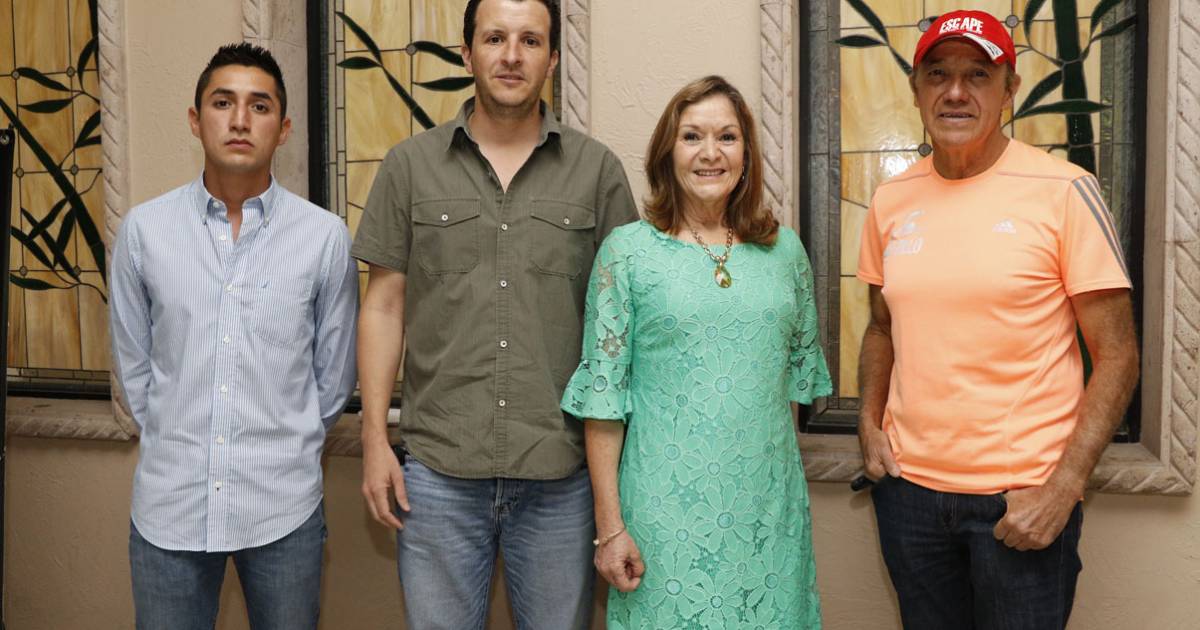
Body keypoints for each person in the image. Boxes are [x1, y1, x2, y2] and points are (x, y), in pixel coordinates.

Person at [351, 0, 639, 626]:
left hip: (561, 476)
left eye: (530, 41)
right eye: (495, 38)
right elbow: (383, 308)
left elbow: (624, 331)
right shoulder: (409, 167)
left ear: (552, 59)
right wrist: (375, 440)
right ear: (467, 53)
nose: (511, 55)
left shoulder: (597, 173)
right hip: (438, 474)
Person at [855, 10, 1140, 629]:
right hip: (910, 500)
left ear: (1009, 89)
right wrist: (869, 423)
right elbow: (881, 326)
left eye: (978, 75)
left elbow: (1118, 353)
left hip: (1020, 501)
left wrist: (1063, 488)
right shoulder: (891, 199)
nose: (956, 92)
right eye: (938, 74)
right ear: (916, 89)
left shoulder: (1065, 190)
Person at [562, 75, 832, 629]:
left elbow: (784, 393)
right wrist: (610, 528)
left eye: (727, 137)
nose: (711, 153)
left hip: (766, 516)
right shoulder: (627, 253)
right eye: (692, 137)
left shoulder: (785, 253)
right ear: (668, 152)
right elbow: (603, 403)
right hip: (662, 518)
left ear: (746, 154)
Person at [109, 43, 358, 630]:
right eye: (223, 103)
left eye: (259, 106)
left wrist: (283, 443)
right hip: (170, 509)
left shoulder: (324, 238)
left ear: (284, 128)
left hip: (282, 508)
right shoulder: (145, 231)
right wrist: (178, 434)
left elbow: (332, 383)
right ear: (195, 120)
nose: (240, 120)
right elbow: (133, 369)